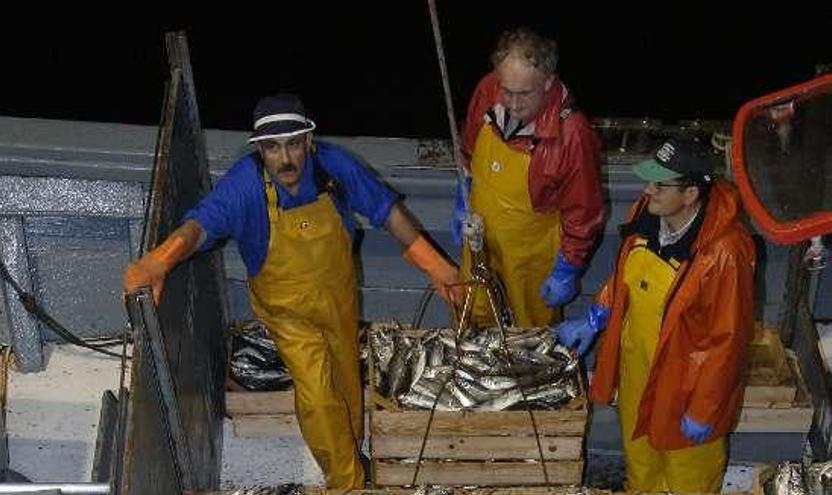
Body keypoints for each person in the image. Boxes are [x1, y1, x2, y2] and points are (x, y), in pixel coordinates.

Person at [123, 93, 461, 489]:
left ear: (309, 141)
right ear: (259, 149)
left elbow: (388, 213)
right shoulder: (244, 185)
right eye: (271, 147)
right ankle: (346, 482)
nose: (285, 159)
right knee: (317, 395)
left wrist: (439, 268)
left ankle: (352, 452)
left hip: (339, 300)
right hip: (287, 314)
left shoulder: (334, 167)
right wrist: (159, 259)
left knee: (347, 385)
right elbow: (199, 226)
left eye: (294, 144)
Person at [556, 138, 756, 492]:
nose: (649, 190)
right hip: (637, 372)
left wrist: (704, 409)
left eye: (660, 184)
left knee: (686, 477)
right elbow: (626, 275)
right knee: (641, 465)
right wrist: (597, 313)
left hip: (687, 388)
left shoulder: (725, 252)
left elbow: (729, 341)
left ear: (691, 193)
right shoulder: (646, 213)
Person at [453, 27, 604, 327]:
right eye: (506, 90)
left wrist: (568, 268)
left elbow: (583, 212)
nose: (512, 103)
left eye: (524, 93)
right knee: (473, 321)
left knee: (530, 337)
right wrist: (463, 196)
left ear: (548, 82)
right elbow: (469, 152)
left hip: (532, 255)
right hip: (480, 236)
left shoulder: (573, 133)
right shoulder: (488, 90)